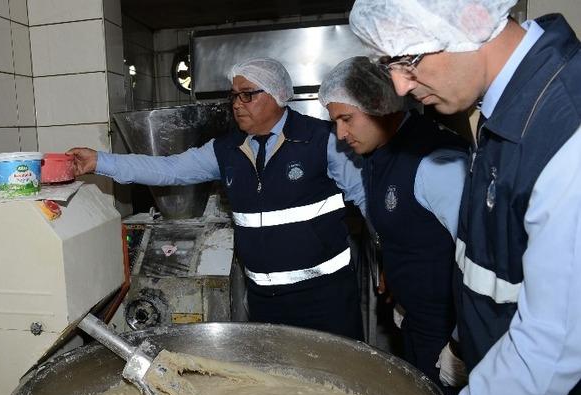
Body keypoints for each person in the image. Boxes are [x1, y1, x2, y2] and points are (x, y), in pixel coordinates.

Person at [349, 0, 581, 395]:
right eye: (388, 64)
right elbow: (493, 258)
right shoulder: (505, 112)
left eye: (409, 59)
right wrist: (462, 342)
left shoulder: (566, 130)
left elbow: (549, 354)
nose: (398, 87)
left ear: (473, 20)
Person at [68, 58, 366, 339]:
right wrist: (100, 162)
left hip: (326, 298)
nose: (237, 104)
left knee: (337, 387)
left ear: (277, 94)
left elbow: (367, 200)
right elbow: (169, 169)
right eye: (234, 96)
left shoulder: (323, 140)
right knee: (277, 386)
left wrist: (391, 263)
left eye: (247, 95)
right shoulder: (226, 150)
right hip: (265, 303)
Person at [318, 56, 469, 395]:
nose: (340, 135)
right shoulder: (378, 153)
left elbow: (478, 258)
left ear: (380, 106)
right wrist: (394, 270)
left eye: (346, 119)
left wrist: (462, 346)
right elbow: (408, 225)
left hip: (445, 330)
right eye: (335, 122)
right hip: (415, 319)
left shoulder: (437, 162)